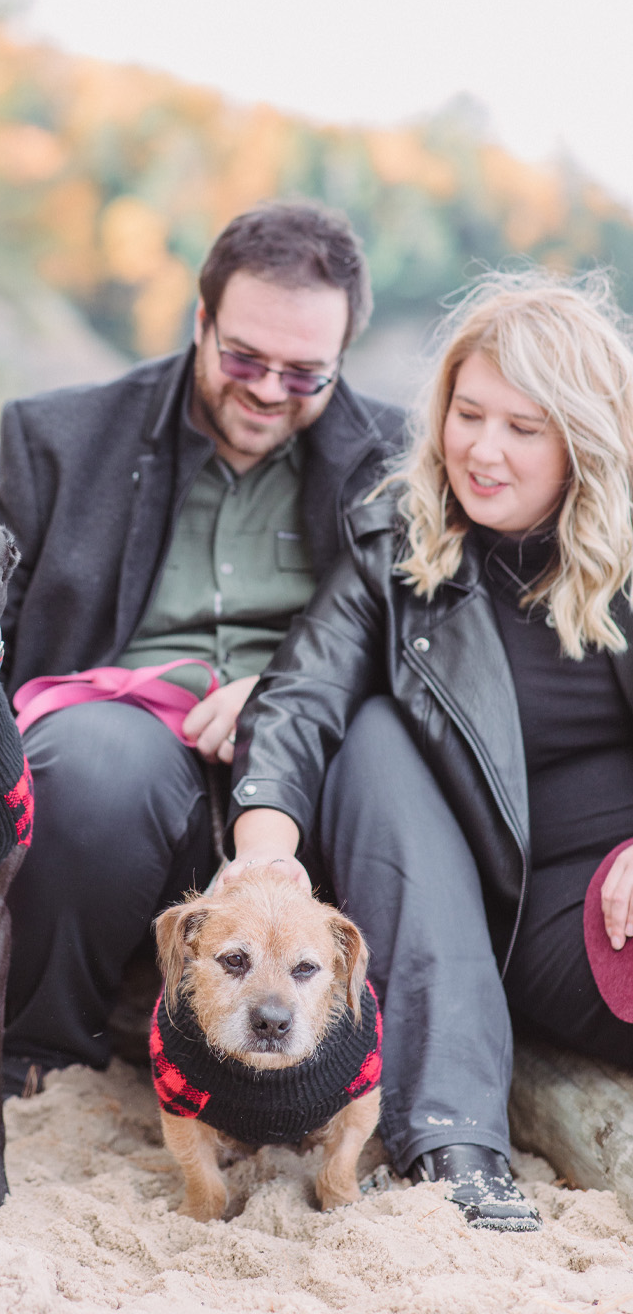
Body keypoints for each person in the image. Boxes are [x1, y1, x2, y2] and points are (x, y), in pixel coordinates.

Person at [0, 200, 404, 1089]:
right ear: (201, 321)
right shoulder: (58, 439)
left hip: (316, 744)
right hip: (123, 728)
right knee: (89, 765)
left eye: (305, 373)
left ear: (343, 357)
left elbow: (433, 651)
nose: (269, 389)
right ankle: (44, 1051)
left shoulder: (399, 461)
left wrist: (281, 691)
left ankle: (373, 1067)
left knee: (390, 764)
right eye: (244, 357)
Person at [229, 269, 633, 1230]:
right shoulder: (396, 541)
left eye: (523, 429)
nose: (482, 451)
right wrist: (264, 855)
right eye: (468, 413)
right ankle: (454, 1142)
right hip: (517, 905)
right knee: (372, 729)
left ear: (583, 439)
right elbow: (301, 697)